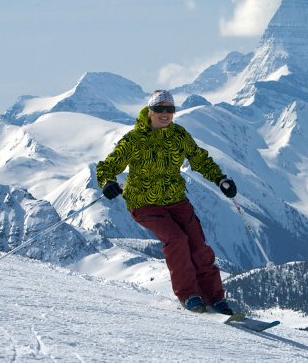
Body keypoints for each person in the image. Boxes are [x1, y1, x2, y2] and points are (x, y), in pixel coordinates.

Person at [96, 89, 238, 314]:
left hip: (175, 199)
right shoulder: (134, 140)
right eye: (160, 109)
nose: (165, 114)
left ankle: (215, 298)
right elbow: (108, 166)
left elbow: (199, 159)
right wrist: (107, 182)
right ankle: (189, 295)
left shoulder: (178, 135)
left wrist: (220, 179)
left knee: (198, 246)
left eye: (170, 109)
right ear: (150, 111)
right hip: (144, 202)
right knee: (177, 239)